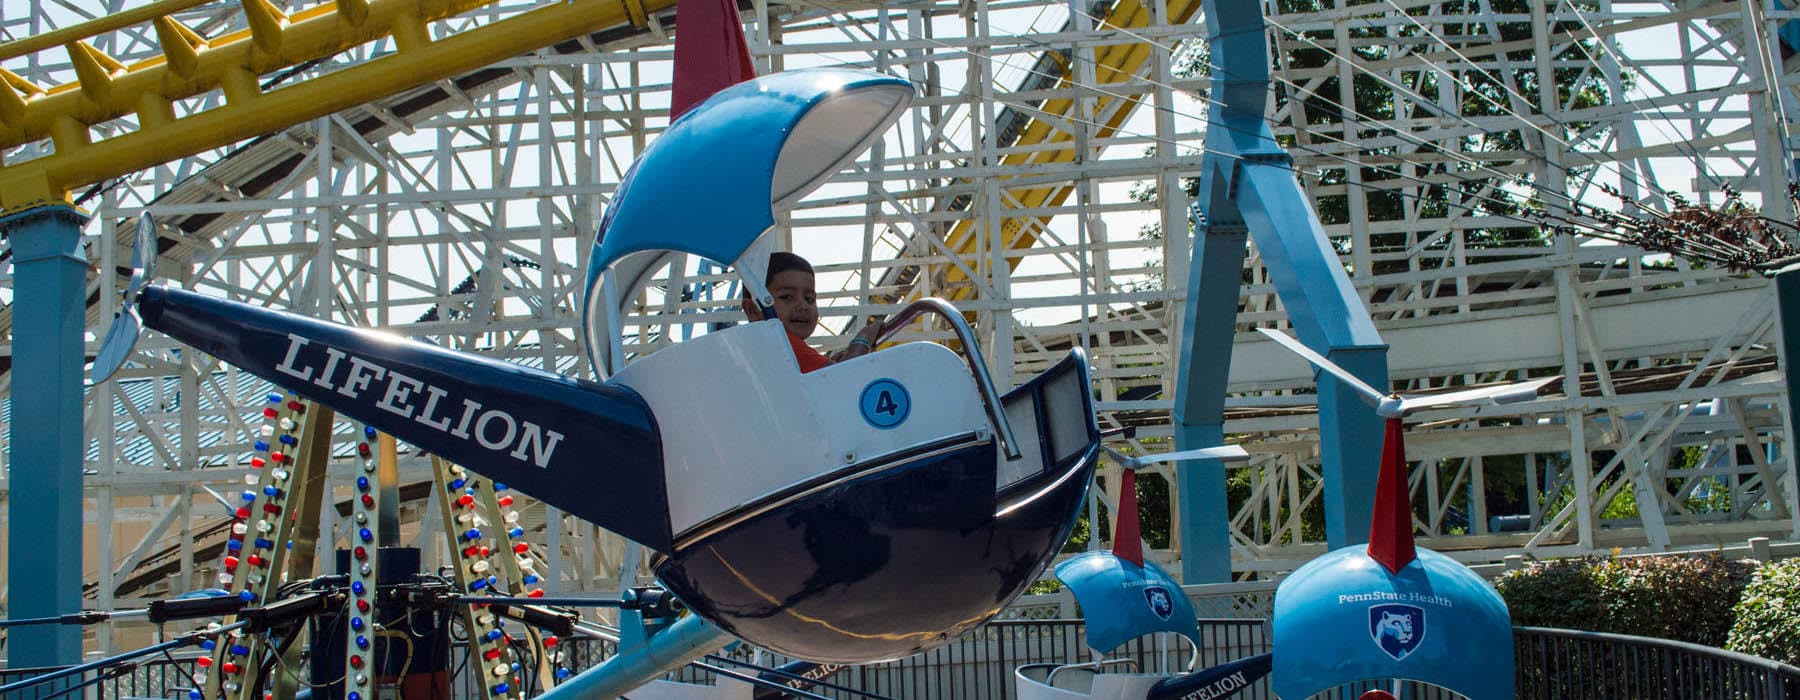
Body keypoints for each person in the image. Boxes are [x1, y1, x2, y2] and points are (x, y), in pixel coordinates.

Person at [740, 252, 883, 372]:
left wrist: (834, 361)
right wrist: (862, 341)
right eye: (787, 297)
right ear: (752, 310)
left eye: (809, 299)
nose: (803, 306)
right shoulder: (781, 344)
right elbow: (843, 378)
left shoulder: (758, 348)